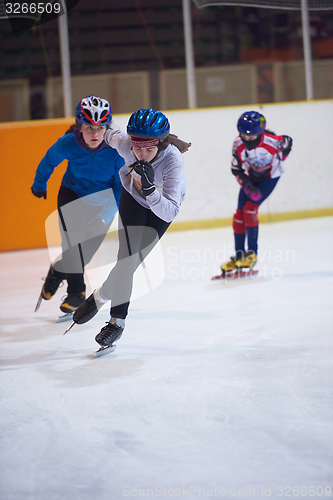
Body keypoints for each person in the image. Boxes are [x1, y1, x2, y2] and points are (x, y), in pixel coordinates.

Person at [67, 108, 190, 349]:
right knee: (126, 260)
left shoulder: (173, 160)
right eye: (138, 148)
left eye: (150, 149)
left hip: (161, 206)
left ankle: (100, 296)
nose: (142, 155)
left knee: (131, 263)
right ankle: (116, 323)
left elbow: (170, 211)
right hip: (133, 198)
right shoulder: (124, 143)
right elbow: (107, 133)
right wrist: (81, 135)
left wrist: (150, 190)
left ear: (162, 144)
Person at [32, 95, 124, 314]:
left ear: (107, 128)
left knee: (86, 253)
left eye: (100, 128)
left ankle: (58, 269)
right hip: (71, 194)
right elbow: (48, 162)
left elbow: (120, 187)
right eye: (88, 127)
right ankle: (77, 292)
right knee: (71, 244)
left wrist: (106, 213)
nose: (94, 134)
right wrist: (39, 185)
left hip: (103, 202)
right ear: (79, 126)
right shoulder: (68, 143)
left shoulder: (117, 149)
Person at [220, 110, 293, 274]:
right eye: (244, 136)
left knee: (250, 210)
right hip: (250, 178)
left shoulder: (273, 142)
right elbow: (236, 169)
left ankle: (252, 253)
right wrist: (247, 185)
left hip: (269, 178)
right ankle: (239, 255)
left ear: (260, 133)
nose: (247, 140)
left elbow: (287, 143)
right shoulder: (237, 143)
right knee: (239, 214)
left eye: (251, 137)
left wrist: (283, 155)